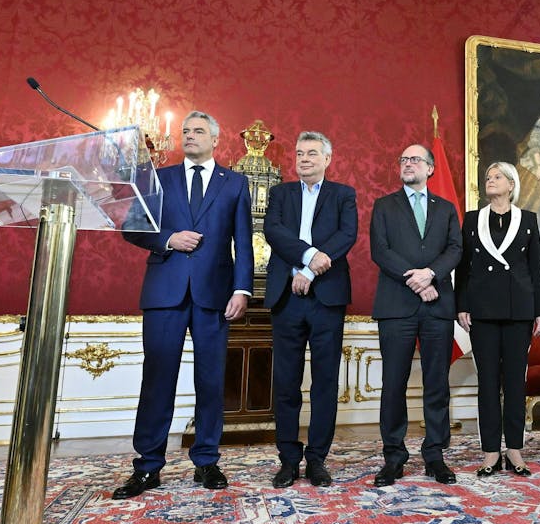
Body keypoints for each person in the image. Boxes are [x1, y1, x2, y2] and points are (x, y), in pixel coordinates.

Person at [113, 111, 254, 498]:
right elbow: (131, 226)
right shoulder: (159, 179)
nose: (189, 136)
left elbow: (243, 241)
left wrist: (241, 289)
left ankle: (207, 462)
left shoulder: (236, 183)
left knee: (210, 382)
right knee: (158, 379)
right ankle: (147, 466)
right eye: (185, 131)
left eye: (198, 131)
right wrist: (169, 239)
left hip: (214, 295)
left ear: (215, 139)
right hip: (164, 293)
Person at [263, 131, 358, 488]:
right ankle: (288, 459)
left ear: (327, 159)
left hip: (326, 299)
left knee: (324, 383)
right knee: (285, 383)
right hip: (286, 299)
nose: (304, 158)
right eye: (300, 153)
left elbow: (346, 236)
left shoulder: (343, 195)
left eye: (312, 153)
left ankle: (317, 458)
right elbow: (274, 232)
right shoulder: (280, 194)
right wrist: (308, 257)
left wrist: (308, 271)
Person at [370, 144, 464, 486]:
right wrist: (417, 278)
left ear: (431, 169)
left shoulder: (447, 209)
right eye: (403, 160)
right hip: (397, 307)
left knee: (436, 384)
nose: (408, 164)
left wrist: (432, 275)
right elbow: (381, 251)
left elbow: (455, 248)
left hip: (437, 306)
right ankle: (393, 457)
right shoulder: (384, 206)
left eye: (415, 160)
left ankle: (435, 455)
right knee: (393, 384)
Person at [456, 162, 540, 477]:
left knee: (514, 383)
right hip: (482, 310)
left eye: (496, 177)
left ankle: (515, 450)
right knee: (488, 383)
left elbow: (536, 269)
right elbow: (464, 267)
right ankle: (490, 453)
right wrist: (462, 305)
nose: (490, 180)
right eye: (487, 177)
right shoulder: (472, 220)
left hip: (518, 310)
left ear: (510, 185)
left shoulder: (527, 220)